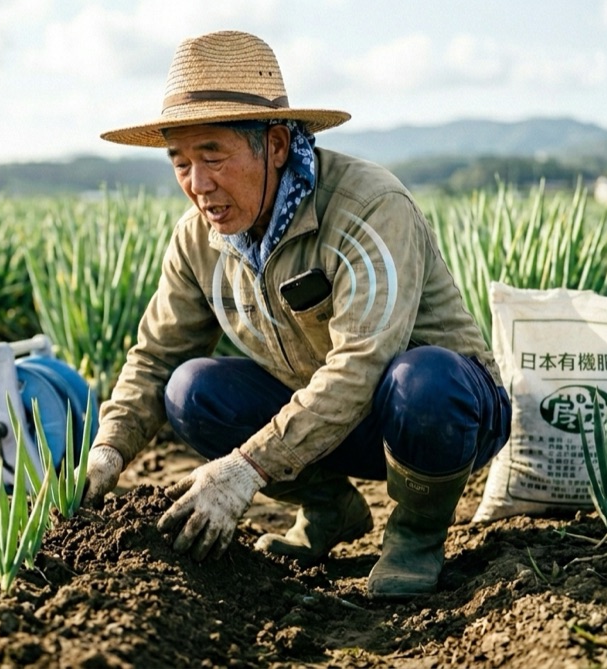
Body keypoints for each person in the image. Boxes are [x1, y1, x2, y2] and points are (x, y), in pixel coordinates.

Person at [82, 30, 511, 600]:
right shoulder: (198, 241)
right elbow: (159, 355)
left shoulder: (368, 207)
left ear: (277, 145)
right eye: (181, 162)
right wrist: (108, 450)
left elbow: (364, 362)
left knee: (423, 379)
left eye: (213, 155)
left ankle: (416, 533)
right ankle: (329, 507)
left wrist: (247, 469)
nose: (198, 183)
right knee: (191, 389)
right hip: (323, 421)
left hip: (431, 416)